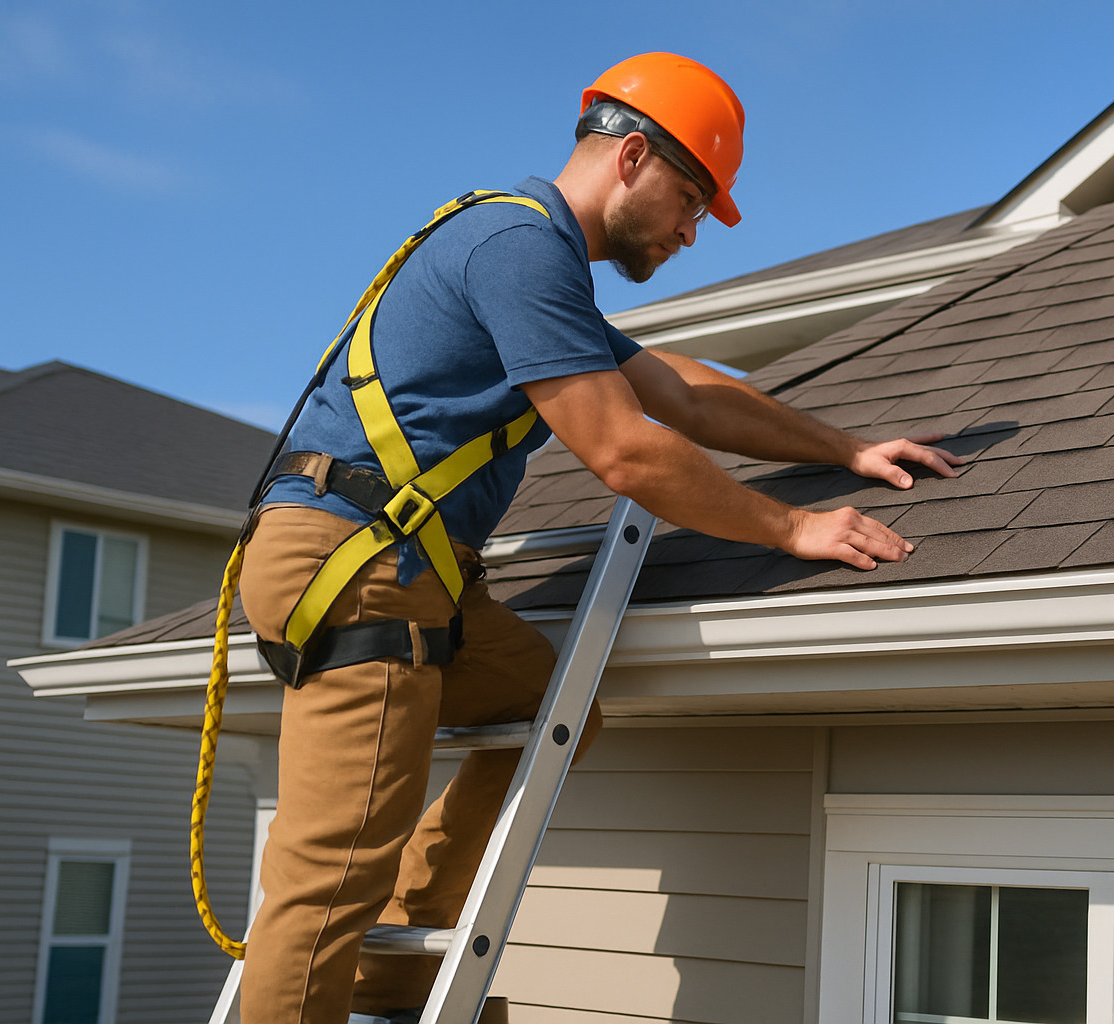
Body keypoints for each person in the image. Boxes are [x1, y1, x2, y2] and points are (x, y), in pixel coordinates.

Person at [235, 52, 962, 1024]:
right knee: (328, 882)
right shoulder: (516, 246)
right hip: (363, 567)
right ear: (630, 158)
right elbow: (627, 451)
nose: (691, 232)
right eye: (690, 200)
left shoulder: (538, 275)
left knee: (552, 710)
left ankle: (405, 964)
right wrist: (793, 524)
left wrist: (849, 447)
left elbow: (684, 393)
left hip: (418, 575)